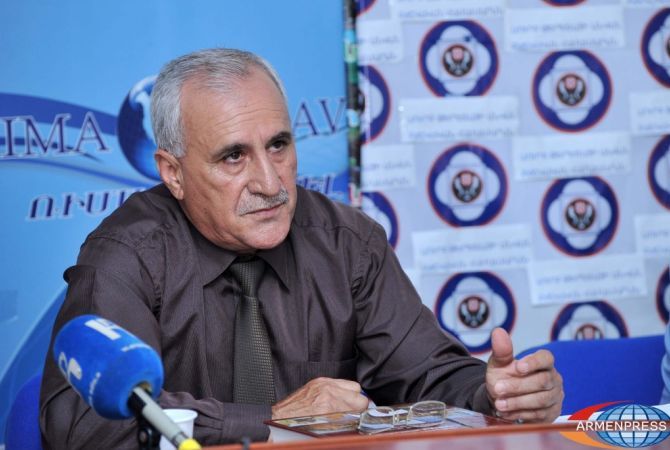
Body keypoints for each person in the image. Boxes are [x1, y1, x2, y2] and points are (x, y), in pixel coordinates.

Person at [39, 48, 563, 448]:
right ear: (172, 172)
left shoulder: (346, 242)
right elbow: (81, 426)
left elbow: (426, 374)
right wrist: (270, 421)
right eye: (233, 157)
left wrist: (495, 394)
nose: (270, 183)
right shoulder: (127, 255)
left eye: (278, 145)